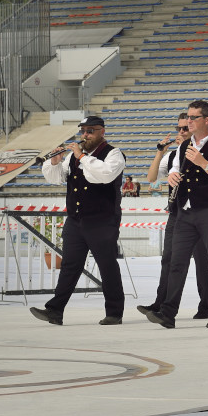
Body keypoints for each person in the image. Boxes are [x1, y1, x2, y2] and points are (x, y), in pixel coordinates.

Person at [140, 101, 208, 330]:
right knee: (176, 264)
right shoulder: (182, 148)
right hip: (185, 213)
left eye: (194, 117)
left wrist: (204, 163)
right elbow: (173, 170)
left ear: (207, 120)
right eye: (188, 117)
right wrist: (172, 177)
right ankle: (168, 313)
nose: (189, 121)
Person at [29, 116, 126, 326]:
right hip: (75, 220)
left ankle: (114, 312)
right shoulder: (73, 157)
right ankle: (55, 310)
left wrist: (81, 155)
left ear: (102, 132)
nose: (86, 134)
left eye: (91, 130)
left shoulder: (113, 154)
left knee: (107, 265)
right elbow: (57, 178)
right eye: (83, 130)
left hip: (103, 220)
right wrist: (54, 162)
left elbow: (104, 175)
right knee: (70, 265)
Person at [139, 114, 208, 321]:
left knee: (201, 262)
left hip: (198, 213)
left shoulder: (202, 152)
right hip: (176, 213)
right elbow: (151, 178)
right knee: (168, 260)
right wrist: (159, 153)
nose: (181, 132)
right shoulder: (172, 156)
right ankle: (160, 303)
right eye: (179, 129)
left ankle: (206, 306)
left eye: (185, 129)